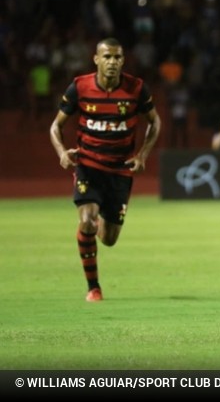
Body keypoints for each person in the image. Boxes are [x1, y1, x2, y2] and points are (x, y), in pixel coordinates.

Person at [49, 37, 162, 302]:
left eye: (117, 57)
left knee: (109, 239)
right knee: (87, 220)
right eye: (107, 57)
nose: (112, 62)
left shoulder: (136, 88)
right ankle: (93, 288)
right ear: (96, 59)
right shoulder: (80, 87)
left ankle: (97, 220)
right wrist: (62, 153)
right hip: (88, 166)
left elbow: (155, 123)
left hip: (120, 171)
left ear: (123, 60)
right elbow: (56, 127)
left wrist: (143, 155)